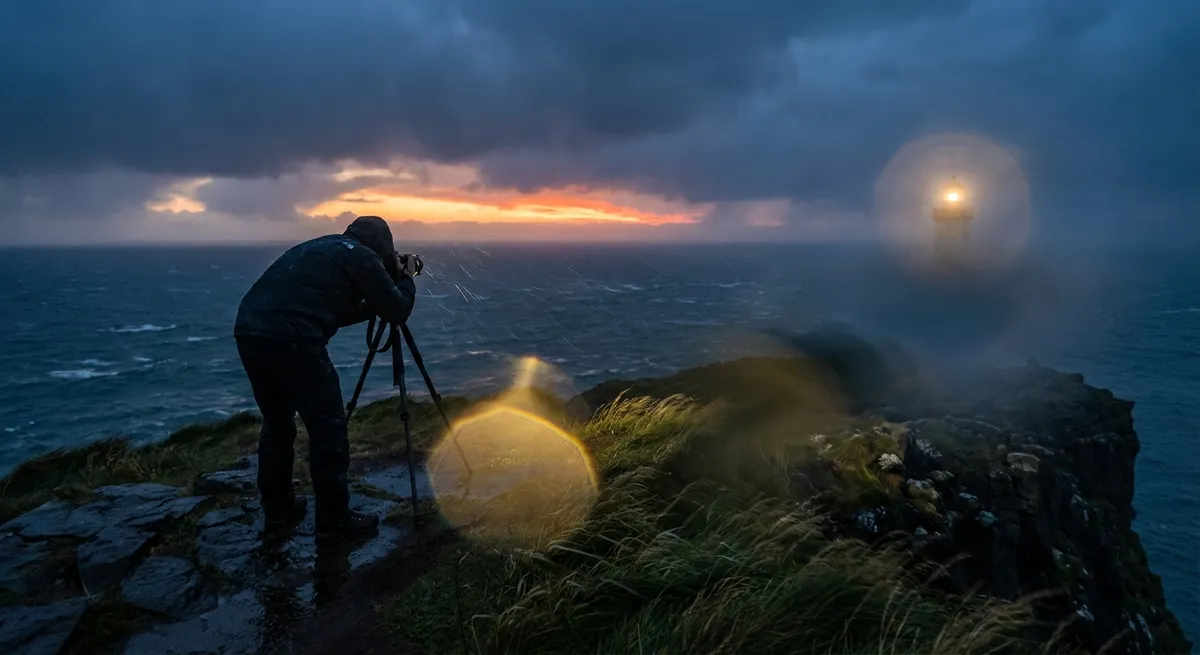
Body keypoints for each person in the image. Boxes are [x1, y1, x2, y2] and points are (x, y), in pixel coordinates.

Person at [234, 216, 418, 537]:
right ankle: (334, 520)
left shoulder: (325, 246)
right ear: (382, 247)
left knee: (277, 425)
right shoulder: (363, 256)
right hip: (293, 338)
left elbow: (330, 309)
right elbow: (398, 310)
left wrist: (374, 300)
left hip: (251, 329)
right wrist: (405, 278)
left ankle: (278, 513)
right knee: (328, 428)